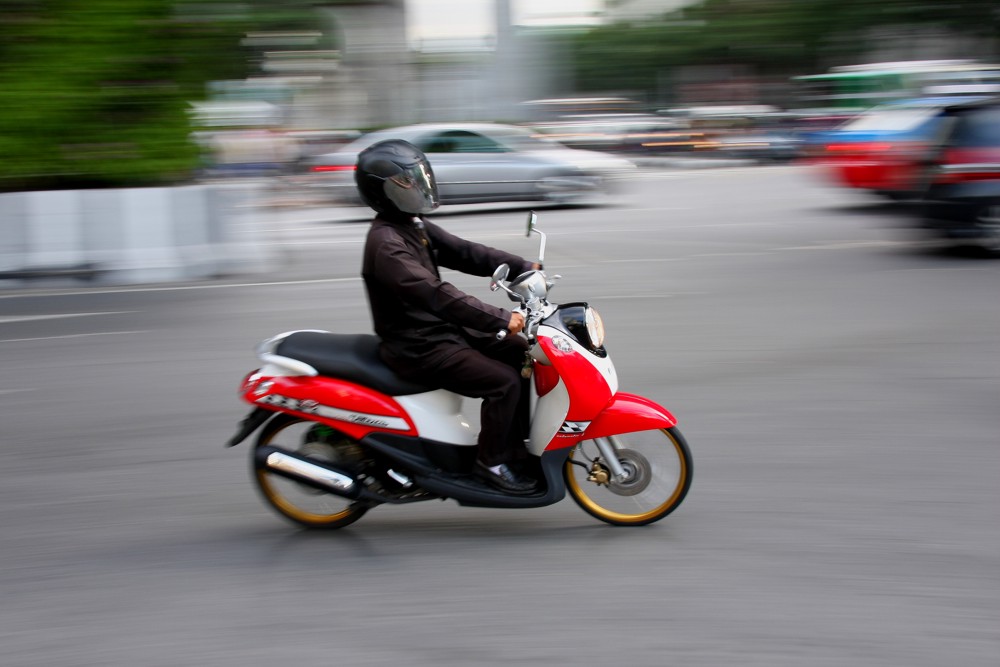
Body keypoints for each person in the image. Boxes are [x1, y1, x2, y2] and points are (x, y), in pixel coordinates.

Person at [356, 139, 539, 495]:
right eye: (405, 182)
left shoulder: (412, 224)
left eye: (416, 179)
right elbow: (436, 295)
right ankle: (493, 463)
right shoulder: (387, 246)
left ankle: (513, 446)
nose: (417, 187)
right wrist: (500, 317)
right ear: (382, 191)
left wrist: (522, 267)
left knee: (521, 352)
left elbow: (464, 252)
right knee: (504, 383)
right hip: (420, 346)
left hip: (441, 330)